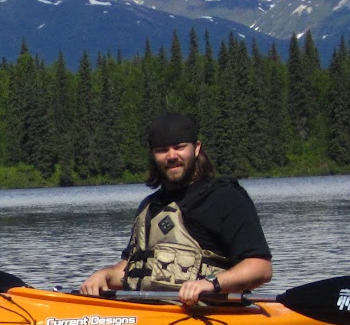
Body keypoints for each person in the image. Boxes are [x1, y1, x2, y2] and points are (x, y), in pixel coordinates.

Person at [79, 111, 273, 306]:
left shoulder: (225, 198)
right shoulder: (149, 206)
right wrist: (104, 276)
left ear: (196, 148)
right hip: (149, 314)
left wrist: (212, 284)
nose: (171, 156)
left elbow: (261, 268)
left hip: (209, 313)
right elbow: (132, 267)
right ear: (153, 155)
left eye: (179, 147)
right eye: (162, 150)